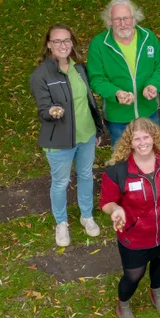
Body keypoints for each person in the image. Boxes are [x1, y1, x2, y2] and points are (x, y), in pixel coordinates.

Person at [99, 118, 160, 318]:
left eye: (146, 136)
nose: (142, 142)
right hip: (135, 236)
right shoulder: (117, 172)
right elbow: (106, 203)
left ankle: (158, 293)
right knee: (133, 275)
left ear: (154, 138)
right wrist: (116, 210)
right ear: (129, 142)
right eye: (136, 138)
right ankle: (124, 305)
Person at [30, 24, 104, 247]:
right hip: (59, 140)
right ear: (49, 45)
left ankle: (86, 216)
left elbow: (89, 101)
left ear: (72, 43)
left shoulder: (79, 68)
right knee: (60, 182)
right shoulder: (40, 75)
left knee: (85, 175)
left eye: (66, 40)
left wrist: (98, 129)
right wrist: (52, 111)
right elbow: (43, 107)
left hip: (87, 135)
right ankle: (61, 223)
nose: (63, 45)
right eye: (57, 41)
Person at [87, 0, 160, 146]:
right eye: (117, 19)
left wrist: (153, 85)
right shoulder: (99, 44)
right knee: (122, 161)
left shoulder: (148, 37)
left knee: (152, 154)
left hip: (148, 111)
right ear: (109, 21)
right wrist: (116, 93)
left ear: (134, 18)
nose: (123, 24)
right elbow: (96, 79)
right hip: (118, 117)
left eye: (126, 18)